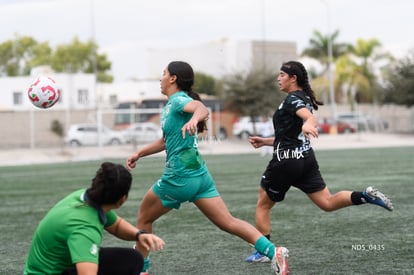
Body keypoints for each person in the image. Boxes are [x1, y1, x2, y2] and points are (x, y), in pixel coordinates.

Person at [126, 61, 289, 275]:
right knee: (228, 222)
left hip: (179, 177)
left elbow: (201, 109)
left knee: (144, 218)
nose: (161, 78)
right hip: (200, 177)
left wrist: (194, 118)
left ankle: (142, 270)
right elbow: (165, 141)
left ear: (173, 78)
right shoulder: (171, 106)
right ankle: (273, 252)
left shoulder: (178, 101)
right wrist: (139, 153)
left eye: (164, 73)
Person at [245, 60, 394, 263]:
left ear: (293, 78)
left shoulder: (293, 100)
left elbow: (308, 119)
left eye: (281, 75)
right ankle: (365, 196)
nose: (278, 78)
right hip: (306, 159)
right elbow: (291, 135)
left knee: (263, 204)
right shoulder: (305, 97)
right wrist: (266, 142)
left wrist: (308, 123)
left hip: (286, 162)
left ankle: (264, 252)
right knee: (327, 202)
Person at [24, 162, 165, 275]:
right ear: (122, 199)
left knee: (132, 259)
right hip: (54, 271)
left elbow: (116, 225)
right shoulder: (85, 229)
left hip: (60, 266)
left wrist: (139, 235)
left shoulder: (85, 197)